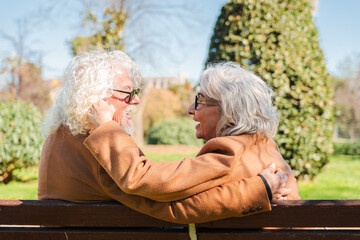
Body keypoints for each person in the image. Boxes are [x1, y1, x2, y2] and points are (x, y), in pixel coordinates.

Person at [38, 50, 291, 224]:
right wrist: (257, 190)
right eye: (128, 93)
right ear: (98, 98)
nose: (136, 100)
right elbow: (164, 199)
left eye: (199, 101)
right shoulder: (97, 145)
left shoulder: (62, 137)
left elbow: (162, 197)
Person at [85, 61, 300, 204]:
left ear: (229, 111)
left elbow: (145, 180)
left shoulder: (230, 153)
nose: (189, 110)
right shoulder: (266, 147)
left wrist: (106, 129)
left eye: (199, 101)